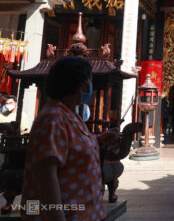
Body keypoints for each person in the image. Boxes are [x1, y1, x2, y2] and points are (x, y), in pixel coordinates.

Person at [21, 56, 119, 221]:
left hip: (85, 213)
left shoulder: (69, 113)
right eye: (89, 80)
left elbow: (70, 146)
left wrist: (98, 139)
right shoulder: (53, 117)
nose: (91, 86)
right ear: (78, 83)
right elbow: (46, 174)